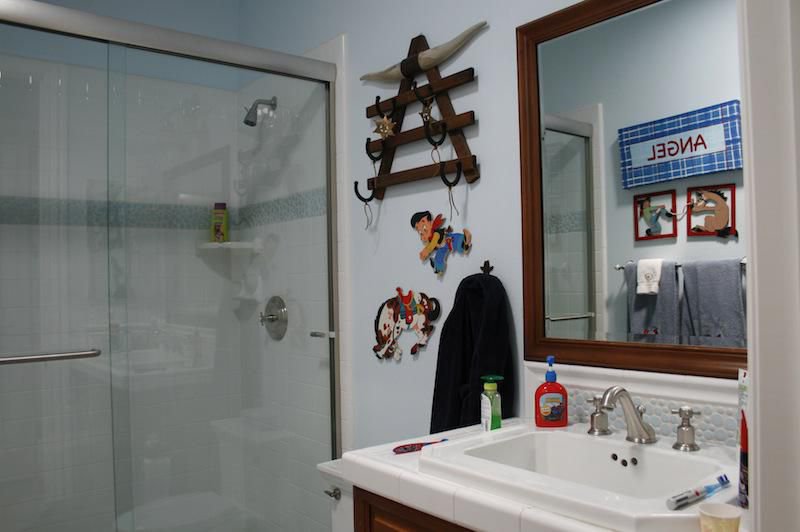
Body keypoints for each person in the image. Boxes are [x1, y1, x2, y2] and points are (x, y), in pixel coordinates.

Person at [410, 210, 472, 275]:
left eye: (424, 228)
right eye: (420, 232)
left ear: (431, 222)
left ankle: (464, 243)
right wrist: (425, 241)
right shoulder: (428, 239)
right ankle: (438, 268)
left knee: (454, 239)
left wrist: (426, 251)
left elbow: (433, 242)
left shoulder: (436, 234)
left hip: (446, 240)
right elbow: (431, 244)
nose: (422, 231)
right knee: (439, 256)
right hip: (441, 248)